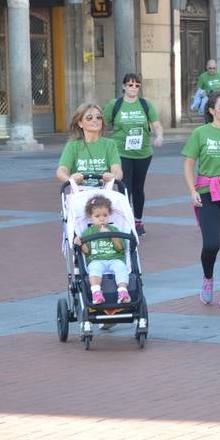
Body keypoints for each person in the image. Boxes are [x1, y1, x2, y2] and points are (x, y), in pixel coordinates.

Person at [183, 91, 220, 310]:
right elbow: (189, 164)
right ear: (211, 111)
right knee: (211, 244)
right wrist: (192, 190)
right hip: (207, 192)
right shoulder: (200, 133)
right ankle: (208, 278)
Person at [103, 73, 163, 236]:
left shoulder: (145, 104)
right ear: (123, 86)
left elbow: (156, 124)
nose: (134, 88)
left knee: (138, 187)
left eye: (137, 85)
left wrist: (159, 136)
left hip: (143, 153)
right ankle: (125, 221)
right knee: (125, 186)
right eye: (130, 85)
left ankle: (138, 221)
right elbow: (101, 123)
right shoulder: (115, 104)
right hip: (121, 152)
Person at [73, 194, 130, 305]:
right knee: (94, 269)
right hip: (96, 259)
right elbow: (87, 252)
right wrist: (80, 243)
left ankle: (123, 292)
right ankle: (96, 293)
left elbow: (121, 249)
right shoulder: (88, 232)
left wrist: (111, 234)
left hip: (115, 258)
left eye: (105, 215)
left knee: (121, 268)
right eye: (97, 216)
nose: (102, 219)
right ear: (90, 217)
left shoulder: (114, 229)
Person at [56, 103, 122, 187]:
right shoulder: (72, 145)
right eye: (89, 118)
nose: (95, 120)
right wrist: (70, 180)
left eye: (98, 117)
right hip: (80, 193)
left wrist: (113, 177)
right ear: (80, 123)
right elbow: (61, 171)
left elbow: (117, 170)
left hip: (104, 192)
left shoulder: (110, 144)